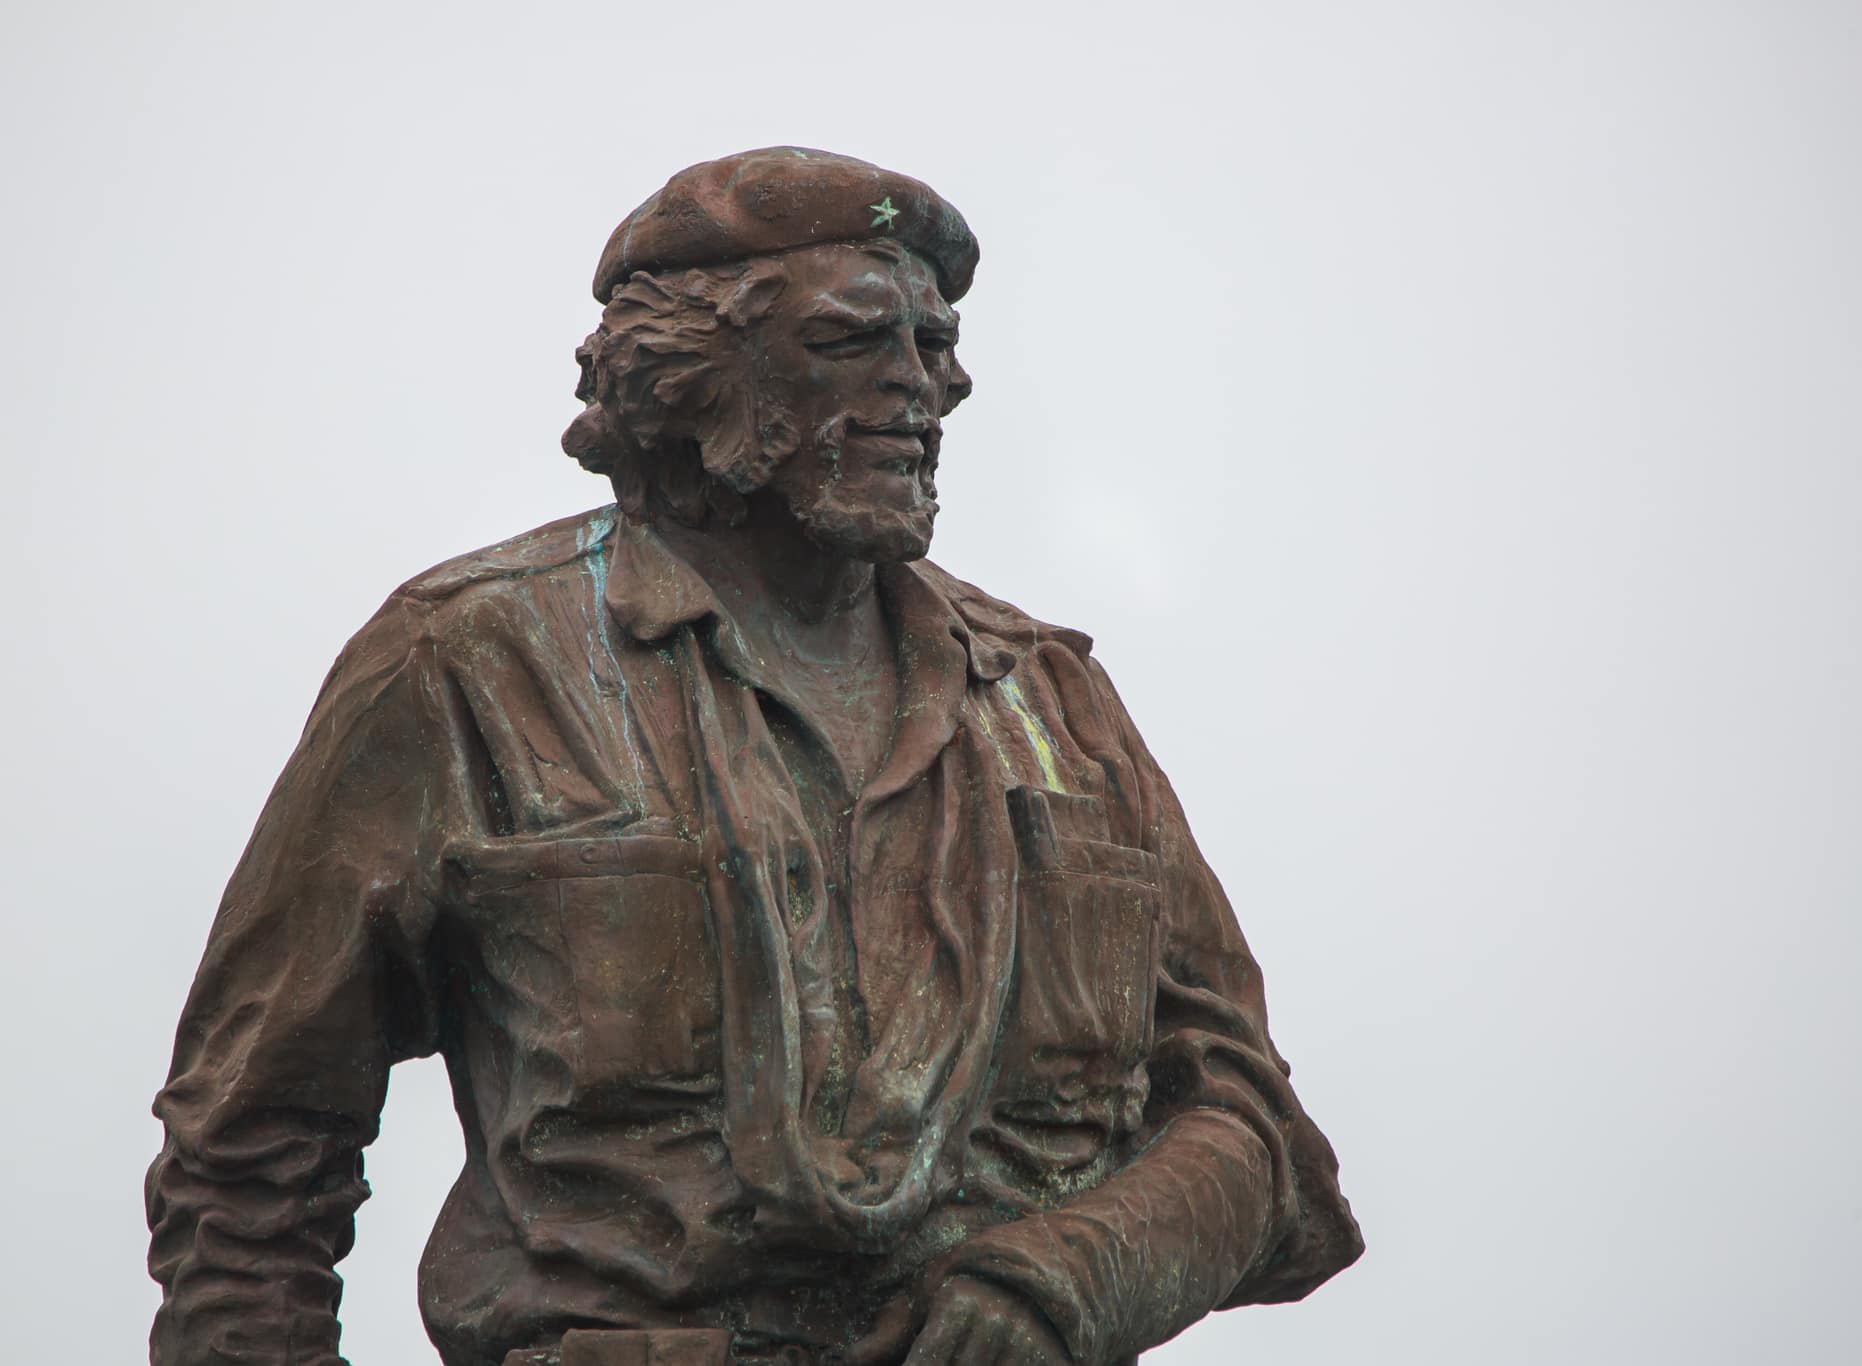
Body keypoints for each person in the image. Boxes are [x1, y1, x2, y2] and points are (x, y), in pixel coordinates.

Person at [145, 147, 1362, 1366]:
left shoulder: (1059, 708)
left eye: (934, 349)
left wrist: (1065, 1282)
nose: (923, 389)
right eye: (854, 341)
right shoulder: (468, 663)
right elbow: (251, 1155)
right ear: (690, 373)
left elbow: (1249, 1128)